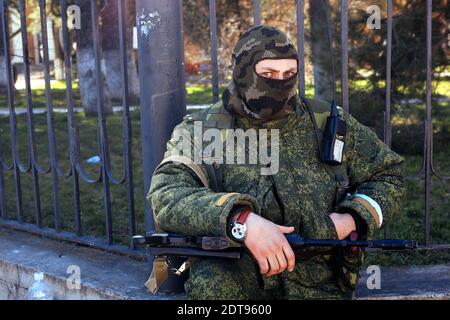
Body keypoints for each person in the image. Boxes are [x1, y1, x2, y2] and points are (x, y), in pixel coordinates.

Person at [147, 25, 405, 299]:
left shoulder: (325, 122)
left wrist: (351, 217)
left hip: (319, 279)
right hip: (235, 273)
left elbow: (389, 173)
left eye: (289, 74)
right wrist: (241, 222)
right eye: (268, 74)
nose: (280, 83)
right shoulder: (201, 130)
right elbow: (167, 195)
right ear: (243, 71)